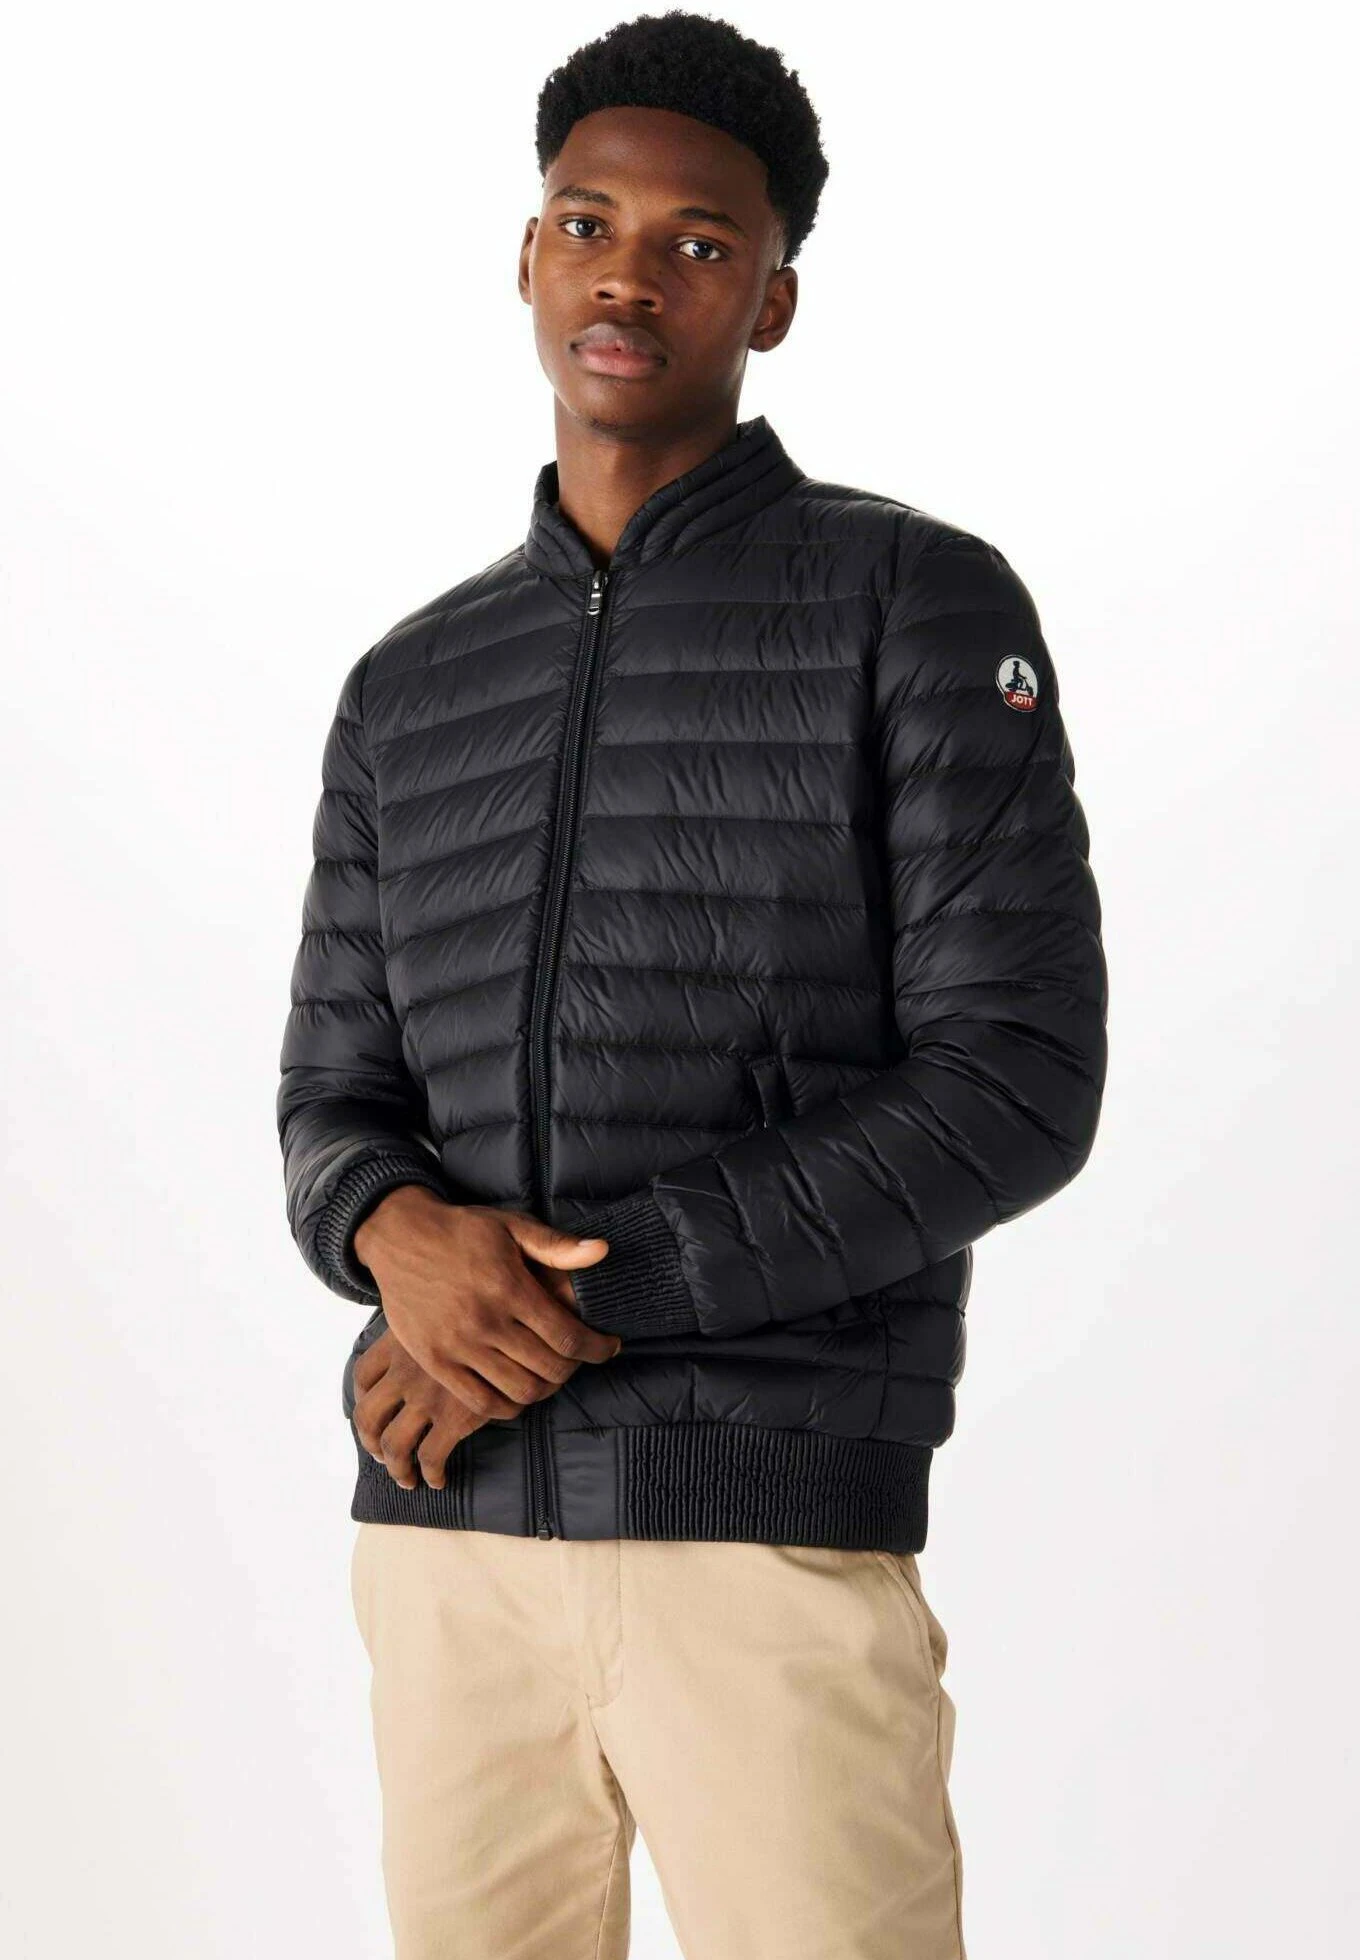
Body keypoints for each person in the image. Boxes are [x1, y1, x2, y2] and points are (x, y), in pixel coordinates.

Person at [276, 13, 1108, 1957]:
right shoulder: (408, 685)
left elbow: (1011, 1076)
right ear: (527, 255)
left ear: (773, 298)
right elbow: (330, 1099)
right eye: (588, 224)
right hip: (447, 1544)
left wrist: (571, 1292)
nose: (629, 276)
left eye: (697, 242)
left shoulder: (913, 604)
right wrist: (396, 1237)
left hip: (764, 1536)